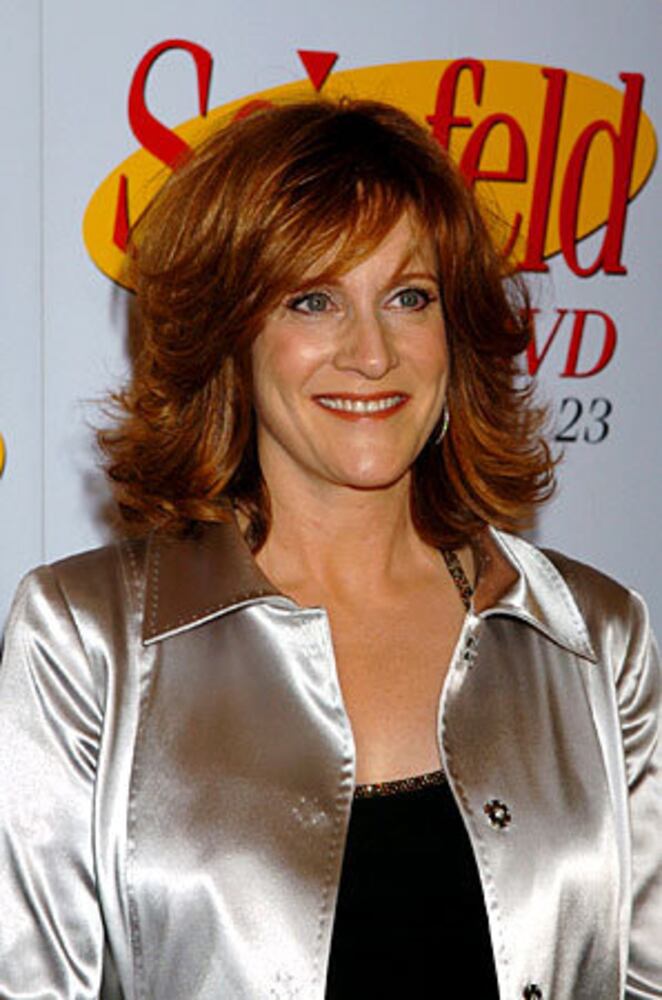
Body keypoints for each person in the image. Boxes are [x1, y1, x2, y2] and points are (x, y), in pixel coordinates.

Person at [0, 98, 660, 1000]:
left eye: (409, 297)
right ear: (231, 336)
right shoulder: (88, 641)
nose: (373, 353)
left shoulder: (593, 637)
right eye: (313, 300)